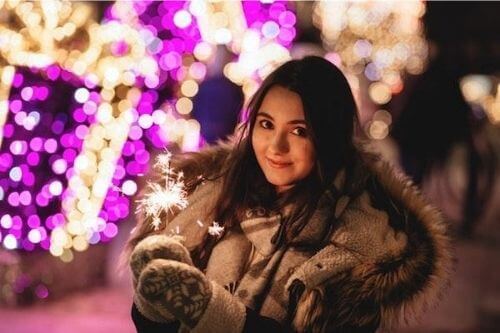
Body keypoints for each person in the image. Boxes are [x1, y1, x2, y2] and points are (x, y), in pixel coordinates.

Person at [124, 56, 453, 333]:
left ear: (329, 137)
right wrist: (153, 306)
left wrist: (212, 312)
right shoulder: (211, 196)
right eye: (266, 125)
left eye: (299, 131)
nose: (276, 147)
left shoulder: (364, 240)